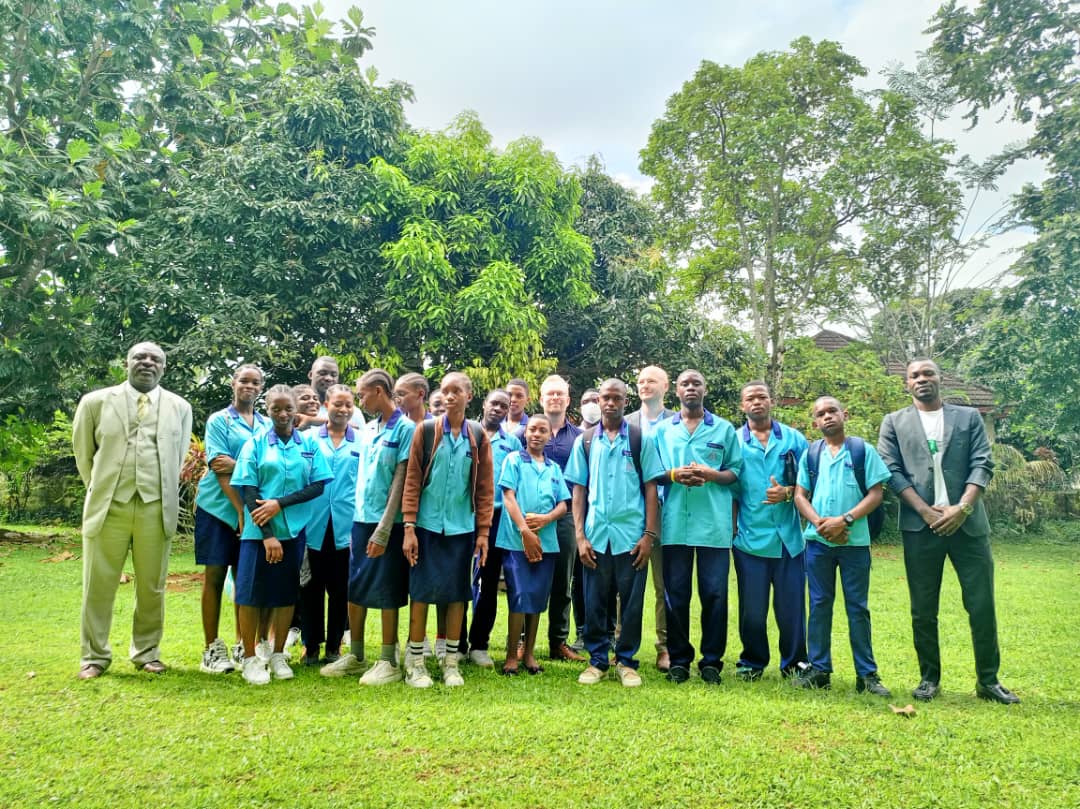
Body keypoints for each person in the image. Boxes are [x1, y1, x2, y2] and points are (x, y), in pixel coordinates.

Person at [878, 359, 1018, 704]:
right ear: (906, 383)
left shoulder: (968, 418)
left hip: (968, 527)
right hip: (919, 528)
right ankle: (929, 678)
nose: (922, 379)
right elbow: (891, 471)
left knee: (981, 603)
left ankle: (988, 681)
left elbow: (983, 463)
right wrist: (926, 512)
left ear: (940, 379)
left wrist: (963, 507)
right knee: (923, 608)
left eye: (928, 374)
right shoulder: (894, 422)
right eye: (915, 376)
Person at [72, 342, 193, 679]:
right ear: (126, 363)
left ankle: (147, 652)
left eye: (155, 359)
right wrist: (102, 490)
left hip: (156, 508)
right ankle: (94, 656)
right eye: (140, 357)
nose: (147, 363)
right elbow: (84, 456)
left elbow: (178, 456)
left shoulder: (179, 407)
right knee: (98, 584)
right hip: (110, 507)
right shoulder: (95, 402)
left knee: (152, 587)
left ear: (163, 368)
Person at [230, 385, 333, 685]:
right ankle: (250, 658)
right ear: (268, 409)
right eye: (276, 408)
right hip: (258, 533)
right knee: (251, 594)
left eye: (288, 407)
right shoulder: (256, 443)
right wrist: (266, 534)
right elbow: (248, 488)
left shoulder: (308, 445)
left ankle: (276, 654)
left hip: (294, 531)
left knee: (287, 593)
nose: (283, 413)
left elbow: (318, 485)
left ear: (294, 409)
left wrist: (280, 504)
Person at [643, 370, 740, 685]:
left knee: (714, 594)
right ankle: (679, 661)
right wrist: (674, 475)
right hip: (674, 526)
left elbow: (735, 472)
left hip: (713, 525)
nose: (691, 388)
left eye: (696, 383)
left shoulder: (724, 429)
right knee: (676, 595)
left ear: (705, 389)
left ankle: (711, 662)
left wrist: (711, 474)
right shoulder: (663, 431)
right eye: (685, 383)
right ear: (677, 391)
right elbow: (653, 472)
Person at [322, 369, 416, 685]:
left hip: (386, 522)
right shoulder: (370, 428)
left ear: (378, 391)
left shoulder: (405, 429)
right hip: (360, 520)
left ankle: (388, 659)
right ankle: (357, 655)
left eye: (362, 394)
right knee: (356, 586)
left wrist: (385, 529)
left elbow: (400, 483)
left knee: (387, 588)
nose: (359, 400)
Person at [792, 396, 891, 697]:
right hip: (818, 544)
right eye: (821, 414)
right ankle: (819, 670)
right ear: (815, 422)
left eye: (832, 411)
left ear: (844, 414)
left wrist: (845, 520)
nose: (827, 417)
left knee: (857, 608)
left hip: (854, 542)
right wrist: (821, 524)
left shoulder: (862, 451)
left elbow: (876, 494)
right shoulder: (811, 454)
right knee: (819, 605)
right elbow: (799, 495)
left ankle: (867, 675)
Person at [401, 372, 494, 687]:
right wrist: (409, 527)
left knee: (457, 595)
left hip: (461, 529)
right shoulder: (426, 431)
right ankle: (415, 662)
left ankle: (451, 661)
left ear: (469, 396)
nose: (450, 396)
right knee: (422, 592)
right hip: (426, 526)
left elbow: (484, 490)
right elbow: (412, 481)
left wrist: (482, 533)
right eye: (445, 391)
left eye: (458, 391)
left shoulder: (478, 436)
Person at [565, 379, 659, 687]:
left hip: (631, 537)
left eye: (616, 398)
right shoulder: (587, 440)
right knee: (595, 601)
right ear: (598, 400)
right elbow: (578, 490)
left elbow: (651, 488)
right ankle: (597, 661)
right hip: (595, 536)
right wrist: (580, 536)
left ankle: (627, 662)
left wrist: (649, 535)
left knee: (631, 603)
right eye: (605, 397)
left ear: (624, 401)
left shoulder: (639, 439)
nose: (610, 403)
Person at [194, 364, 269, 674]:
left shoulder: (265, 424)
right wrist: (240, 509)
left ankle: (243, 644)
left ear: (261, 388)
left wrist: (240, 466)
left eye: (255, 382)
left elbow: (261, 465)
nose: (249, 386)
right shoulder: (219, 420)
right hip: (219, 508)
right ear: (233, 384)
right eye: (243, 381)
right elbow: (218, 465)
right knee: (214, 576)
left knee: (244, 577)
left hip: (250, 511)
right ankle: (212, 648)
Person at [732, 381, 809, 681]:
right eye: (750, 398)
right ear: (743, 406)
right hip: (750, 539)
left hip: (789, 540)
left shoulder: (794, 439)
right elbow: (732, 492)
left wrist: (789, 492)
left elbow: (809, 484)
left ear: (771, 401)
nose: (757, 402)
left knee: (791, 608)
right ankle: (752, 662)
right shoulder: (735, 442)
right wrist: (732, 533)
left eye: (762, 397)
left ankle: (794, 663)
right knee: (752, 610)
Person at [497, 415, 572, 675]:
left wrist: (547, 518)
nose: (537, 434)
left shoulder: (553, 469)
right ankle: (511, 657)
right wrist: (525, 531)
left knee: (538, 598)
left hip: (546, 542)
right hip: (517, 541)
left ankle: (529, 654)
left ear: (550, 435)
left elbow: (564, 503)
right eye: (532, 430)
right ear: (525, 433)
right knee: (520, 596)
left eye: (542, 430)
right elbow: (508, 496)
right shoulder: (514, 460)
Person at [519, 374, 586, 662]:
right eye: (550, 394)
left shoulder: (580, 438)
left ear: (568, 399)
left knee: (563, 580)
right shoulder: (527, 432)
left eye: (560, 394)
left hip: (566, 517)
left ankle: (558, 641)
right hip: (531, 517)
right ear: (541, 398)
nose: (555, 398)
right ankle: (523, 641)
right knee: (529, 576)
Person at [300, 384, 359, 666]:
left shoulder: (362, 441)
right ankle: (311, 646)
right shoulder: (309, 439)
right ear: (326, 404)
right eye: (338, 404)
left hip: (346, 526)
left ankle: (334, 647)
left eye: (348, 404)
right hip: (313, 523)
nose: (343, 409)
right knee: (311, 587)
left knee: (340, 590)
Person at [465, 389, 523, 668]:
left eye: (504, 405)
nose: (499, 408)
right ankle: (452, 640)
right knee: (459, 580)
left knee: (488, 583)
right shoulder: (468, 432)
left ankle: (479, 644)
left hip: (498, 519)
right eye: (494, 403)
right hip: (464, 515)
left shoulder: (512, 442)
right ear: (484, 405)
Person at [626, 364, 675, 670]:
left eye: (652, 381)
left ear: (666, 387)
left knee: (664, 585)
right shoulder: (627, 423)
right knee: (627, 584)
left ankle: (665, 647)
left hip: (669, 514)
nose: (645, 385)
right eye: (641, 381)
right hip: (631, 515)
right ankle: (621, 642)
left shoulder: (677, 422)